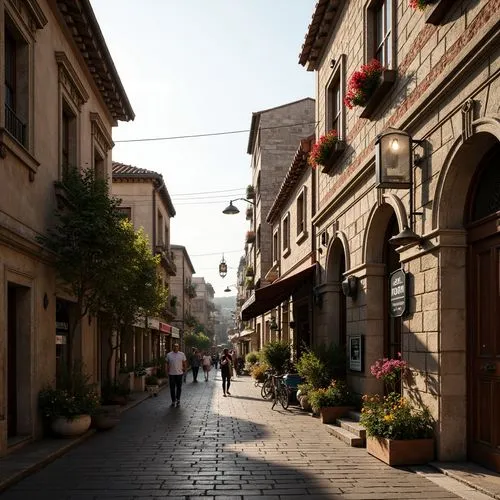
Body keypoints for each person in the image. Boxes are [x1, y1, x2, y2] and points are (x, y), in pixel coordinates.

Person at [166, 343, 187, 407]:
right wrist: (166, 371)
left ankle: (178, 400)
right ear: (173, 347)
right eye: (174, 346)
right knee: (172, 388)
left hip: (179, 374)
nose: (176, 347)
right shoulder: (169, 354)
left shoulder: (182, 354)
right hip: (171, 374)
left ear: (178, 347)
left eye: (177, 346)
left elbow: (184, 363)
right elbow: (166, 363)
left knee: (179, 387)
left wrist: (185, 370)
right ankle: (173, 401)